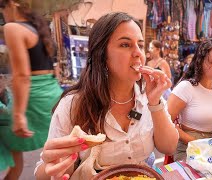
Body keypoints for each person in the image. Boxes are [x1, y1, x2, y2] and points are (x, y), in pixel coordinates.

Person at [34, 12, 179, 180]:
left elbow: (169, 147)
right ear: (102, 56)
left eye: (140, 44)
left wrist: (155, 103)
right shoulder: (73, 104)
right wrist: (55, 165)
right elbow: (42, 173)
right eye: (125, 45)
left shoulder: (148, 95)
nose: (138, 53)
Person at [0, 0, 63, 179]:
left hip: (32, 97)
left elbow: (22, 75)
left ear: (12, 4)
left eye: (1, 8)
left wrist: (18, 114)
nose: (3, 14)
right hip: (51, 93)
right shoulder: (37, 29)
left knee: (12, 150)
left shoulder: (13, 28)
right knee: (56, 156)